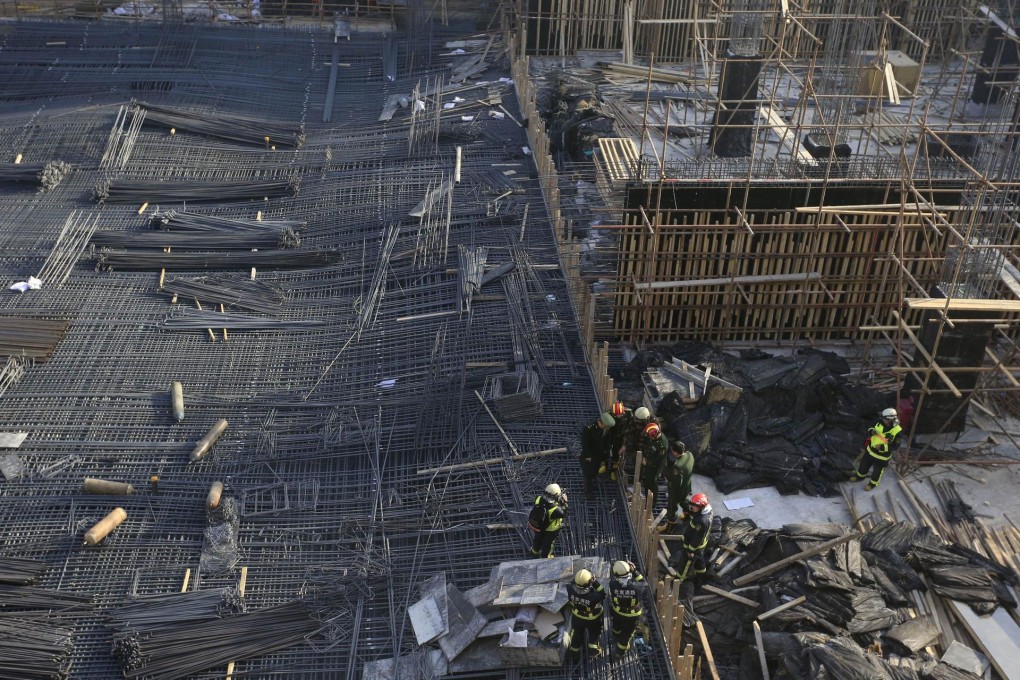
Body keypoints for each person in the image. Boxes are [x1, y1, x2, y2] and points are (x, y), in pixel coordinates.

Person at [852, 407, 902, 491]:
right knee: (863, 465)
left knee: (877, 472)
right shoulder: (879, 422)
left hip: (882, 457)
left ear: (890, 420)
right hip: (870, 451)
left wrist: (882, 447)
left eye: (885, 419)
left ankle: (872, 484)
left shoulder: (897, 431)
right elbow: (870, 427)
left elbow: (895, 447)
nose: (883, 419)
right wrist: (871, 431)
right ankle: (859, 476)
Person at [668, 493, 713, 584]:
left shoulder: (701, 521)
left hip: (694, 546)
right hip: (701, 545)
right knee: (699, 560)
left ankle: (679, 580)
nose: (691, 507)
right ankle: (701, 575)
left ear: (701, 507)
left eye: (694, 506)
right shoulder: (707, 511)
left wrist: (690, 550)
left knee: (685, 563)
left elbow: (697, 537)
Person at [608, 560, 646, 656]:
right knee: (626, 634)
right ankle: (619, 652)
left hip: (617, 611)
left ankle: (615, 635)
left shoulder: (612, 585)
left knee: (616, 624)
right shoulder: (636, 587)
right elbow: (643, 582)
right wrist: (634, 571)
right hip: (632, 615)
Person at [567, 568, 606, 658]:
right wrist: (595, 582)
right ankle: (592, 651)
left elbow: (573, 583)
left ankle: (574, 651)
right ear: (589, 583)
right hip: (592, 619)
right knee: (594, 634)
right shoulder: (594, 596)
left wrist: (581, 578)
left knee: (577, 633)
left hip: (577, 616)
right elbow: (602, 593)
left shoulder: (569, 589)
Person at [659, 440, 694, 534]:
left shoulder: (677, 467)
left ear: (674, 452)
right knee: (684, 500)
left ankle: (670, 527)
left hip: (677, 490)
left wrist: (667, 478)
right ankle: (689, 514)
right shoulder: (689, 455)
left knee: (672, 507)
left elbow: (673, 481)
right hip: (687, 486)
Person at [580, 412, 615, 497]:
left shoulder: (605, 429)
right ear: (600, 422)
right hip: (590, 455)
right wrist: (588, 456)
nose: (606, 428)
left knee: (595, 470)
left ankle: (591, 485)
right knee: (588, 473)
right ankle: (587, 492)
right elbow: (585, 444)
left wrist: (605, 454)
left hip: (599, 454)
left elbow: (606, 441)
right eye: (605, 426)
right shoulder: (589, 429)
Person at [528, 483, 568, 558]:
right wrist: (564, 502)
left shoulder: (538, 498)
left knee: (537, 539)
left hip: (538, 527)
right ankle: (546, 556)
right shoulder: (556, 510)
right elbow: (563, 513)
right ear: (556, 496)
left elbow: (545, 504)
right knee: (548, 544)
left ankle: (534, 551)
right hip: (551, 530)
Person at [637, 422, 668, 504]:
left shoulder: (662, 445)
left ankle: (651, 503)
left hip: (654, 468)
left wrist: (646, 463)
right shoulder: (654, 438)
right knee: (647, 482)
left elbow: (659, 461)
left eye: (650, 436)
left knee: (652, 485)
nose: (649, 437)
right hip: (649, 463)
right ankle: (647, 497)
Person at [606, 401, 632, 480]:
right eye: (617, 415)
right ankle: (604, 464)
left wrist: (624, 445)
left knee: (616, 453)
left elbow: (629, 431)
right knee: (605, 450)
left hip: (620, 437)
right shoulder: (608, 415)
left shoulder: (628, 414)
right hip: (609, 435)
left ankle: (613, 470)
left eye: (620, 414)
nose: (619, 416)